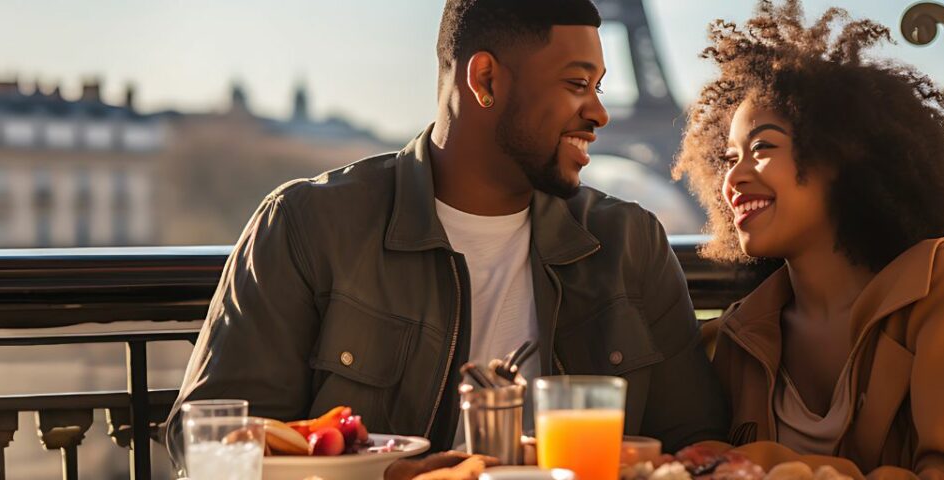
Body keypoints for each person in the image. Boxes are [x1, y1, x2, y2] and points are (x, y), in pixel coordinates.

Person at [166, 0, 728, 466]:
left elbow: (698, 451)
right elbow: (212, 453)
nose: (599, 113)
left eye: (600, 86)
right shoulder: (304, 227)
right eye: (578, 83)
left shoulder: (633, 243)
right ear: (484, 79)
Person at [673, 1, 944, 478]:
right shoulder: (738, 337)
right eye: (729, 158)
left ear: (843, 157)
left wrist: (761, 465)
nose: (735, 178)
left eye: (762, 148)